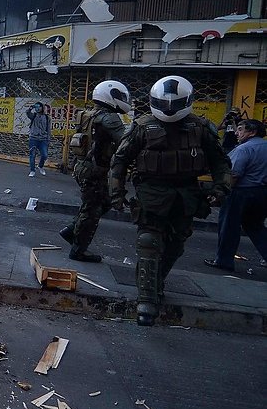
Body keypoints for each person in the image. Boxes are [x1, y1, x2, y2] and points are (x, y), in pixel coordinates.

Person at [109, 75, 231, 326]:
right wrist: (116, 193)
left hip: (186, 194)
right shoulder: (142, 127)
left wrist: (221, 187)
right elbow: (119, 160)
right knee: (148, 242)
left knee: (176, 244)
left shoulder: (200, 127)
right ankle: (147, 300)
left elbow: (220, 162)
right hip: (152, 192)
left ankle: (156, 283)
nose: (168, 110)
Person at [59, 80, 132, 262]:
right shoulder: (109, 118)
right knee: (92, 210)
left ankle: (71, 231)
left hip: (82, 166)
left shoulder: (89, 114)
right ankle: (78, 250)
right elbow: (125, 142)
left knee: (101, 203)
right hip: (94, 170)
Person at [205, 119, 267, 271]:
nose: (237, 133)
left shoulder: (244, 149)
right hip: (263, 193)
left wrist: (220, 193)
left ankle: (224, 260)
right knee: (255, 226)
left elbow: (234, 175)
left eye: (240, 129)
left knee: (229, 226)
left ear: (252, 132)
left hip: (241, 193)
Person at [26, 101, 51, 177]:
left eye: (39, 107)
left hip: (43, 139)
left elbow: (48, 129)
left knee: (44, 155)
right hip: (33, 138)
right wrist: (31, 108)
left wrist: (48, 139)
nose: (37, 108)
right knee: (32, 155)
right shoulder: (33, 116)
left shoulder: (47, 117)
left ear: (42, 107)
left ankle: (40, 166)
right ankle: (32, 170)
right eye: (36, 107)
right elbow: (27, 113)